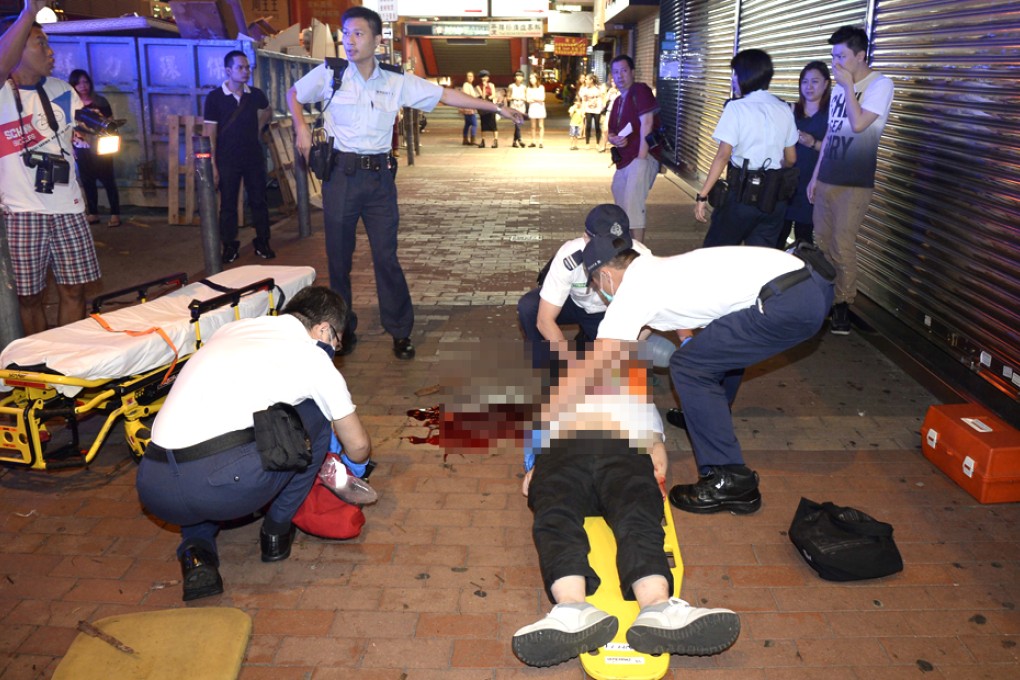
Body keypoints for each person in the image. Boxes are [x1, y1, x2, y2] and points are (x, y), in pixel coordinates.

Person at [513, 278, 741, 669]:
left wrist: (655, 447)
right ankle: (571, 610)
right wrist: (533, 465)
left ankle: (658, 608)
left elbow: (649, 426)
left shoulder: (631, 384)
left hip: (622, 449)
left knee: (638, 513)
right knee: (555, 514)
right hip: (564, 452)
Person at [287, 7, 523, 360]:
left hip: (379, 180)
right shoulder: (331, 73)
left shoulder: (396, 81)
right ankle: (341, 329)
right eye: (346, 34)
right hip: (340, 178)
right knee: (338, 261)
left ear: (377, 40)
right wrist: (300, 127)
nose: (350, 41)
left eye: (358, 34)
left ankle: (399, 330)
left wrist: (497, 109)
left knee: (386, 257)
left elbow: (445, 95)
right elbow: (294, 93)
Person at [551, 236, 833, 516]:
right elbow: (632, 342)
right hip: (810, 281)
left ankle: (729, 479)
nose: (599, 293)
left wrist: (559, 428)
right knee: (707, 353)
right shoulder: (652, 268)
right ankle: (705, 414)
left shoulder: (630, 293)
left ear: (605, 275)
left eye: (595, 284)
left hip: (786, 300)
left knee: (689, 367)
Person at [135, 286, 373, 602]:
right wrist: (356, 467)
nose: (334, 351)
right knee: (316, 414)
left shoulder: (233, 329)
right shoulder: (313, 357)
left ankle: (197, 551)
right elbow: (358, 445)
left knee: (209, 444)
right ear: (324, 330)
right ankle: (276, 531)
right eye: (336, 343)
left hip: (153, 483)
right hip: (221, 488)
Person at [0, 1, 101, 336]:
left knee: (75, 290)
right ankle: (37, 358)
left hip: (69, 207)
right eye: (40, 43)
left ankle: (67, 357)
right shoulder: (2, 92)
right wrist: (28, 12)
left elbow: (75, 132)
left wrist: (88, 132)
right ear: (16, 47)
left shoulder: (62, 90)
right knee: (29, 298)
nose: (51, 51)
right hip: (20, 211)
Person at [807, 26, 894, 335]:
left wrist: (847, 87)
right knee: (821, 242)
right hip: (828, 177)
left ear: (860, 55)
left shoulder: (880, 85)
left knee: (842, 244)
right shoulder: (840, 88)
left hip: (855, 182)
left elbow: (858, 124)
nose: (836, 63)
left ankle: (843, 304)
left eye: (842, 56)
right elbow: (831, 133)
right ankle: (824, 300)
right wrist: (815, 176)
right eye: (833, 56)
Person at [516, 204, 649, 370]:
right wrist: (568, 366)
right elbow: (545, 320)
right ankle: (546, 363)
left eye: (619, 245)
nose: (612, 254)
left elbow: (652, 316)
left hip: (608, 314)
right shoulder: (569, 256)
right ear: (586, 238)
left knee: (623, 369)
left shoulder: (641, 258)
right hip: (573, 302)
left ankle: (590, 343)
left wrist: (628, 349)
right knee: (529, 307)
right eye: (604, 246)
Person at [693, 49, 797, 249]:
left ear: (746, 76)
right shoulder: (784, 108)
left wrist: (703, 195)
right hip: (773, 199)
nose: (733, 80)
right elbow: (791, 159)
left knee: (717, 252)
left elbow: (723, 156)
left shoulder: (736, 108)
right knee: (760, 258)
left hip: (741, 195)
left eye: (735, 75)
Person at [203, 49, 274, 264]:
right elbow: (210, 132)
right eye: (240, 68)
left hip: (253, 156)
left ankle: (262, 241)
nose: (246, 72)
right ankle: (229, 245)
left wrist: (258, 128)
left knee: (259, 200)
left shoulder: (256, 94)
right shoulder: (215, 98)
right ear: (228, 71)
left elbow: (267, 110)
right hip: (227, 159)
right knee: (228, 203)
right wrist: (212, 163)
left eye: (247, 68)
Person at [606, 55, 660, 244]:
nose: (619, 76)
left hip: (641, 158)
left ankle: (638, 253)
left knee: (633, 207)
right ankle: (627, 248)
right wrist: (614, 139)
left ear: (632, 72)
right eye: (615, 72)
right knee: (622, 207)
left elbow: (647, 123)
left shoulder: (640, 91)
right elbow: (610, 132)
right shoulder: (617, 101)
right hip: (624, 161)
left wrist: (641, 158)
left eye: (624, 71)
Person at [777, 61, 830, 249]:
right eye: (804, 82)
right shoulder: (791, 111)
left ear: (826, 84)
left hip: (811, 185)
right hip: (787, 183)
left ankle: (801, 268)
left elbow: (834, 149)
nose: (809, 87)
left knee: (804, 238)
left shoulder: (831, 115)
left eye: (815, 81)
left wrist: (813, 143)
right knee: (777, 235)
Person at [68, 69, 120, 227]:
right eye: (78, 83)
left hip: (102, 147)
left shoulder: (100, 102)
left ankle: (115, 214)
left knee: (108, 180)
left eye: (85, 82)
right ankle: (93, 213)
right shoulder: (71, 104)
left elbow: (111, 124)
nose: (82, 86)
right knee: (87, 181)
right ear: (73, 85)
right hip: (81, 147)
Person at [476, 69, 500, 148]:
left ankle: (495, 141)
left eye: (486, 76)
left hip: (491, 106)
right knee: (483, 124)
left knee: (493, 124)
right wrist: (484, 87)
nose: (485, 78)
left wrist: (489, 97)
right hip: (483, 108)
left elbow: (493, 94)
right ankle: (483, 141)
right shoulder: (478, 86)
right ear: (481, 78)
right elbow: (483, 96)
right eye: (483, 77)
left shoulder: (491, 85)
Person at [579, 74, 603, 150]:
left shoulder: (598, 88)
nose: (585, 80)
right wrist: (583, 110)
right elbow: (583, 100)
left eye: (587, 79)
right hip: (588, 108)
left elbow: (602, 98)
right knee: (588, 125)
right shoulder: (584, 89)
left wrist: (600, 106)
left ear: (591, 80)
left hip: (597, 108)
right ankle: (587, 143)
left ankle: (598, 143)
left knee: (597, 126)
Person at [526, 72, 546, 148]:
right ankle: (533, 141)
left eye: (533, 78)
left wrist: (533, 98)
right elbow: (528, 100)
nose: (531, 80)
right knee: (533, 126)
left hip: (540, 108)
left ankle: (541, 142)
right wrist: (537, 99)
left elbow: (542, 98)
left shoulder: (541, 87)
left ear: (537, 79)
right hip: (532, 108)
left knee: (541, 125)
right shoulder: (528, 88)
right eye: (530, 78)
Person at [598, 78, 619, 153]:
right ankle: (603, 145)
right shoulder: (610, 91)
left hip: (618, 113)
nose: (613, 83)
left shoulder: (621, 91)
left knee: (617, 130)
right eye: (612, 81)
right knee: (605, 129)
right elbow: (604, 102)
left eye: (615, 81)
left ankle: (617, 147)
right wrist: (608, 94)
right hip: (609, 111)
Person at [508, 70, 527, 148]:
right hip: (514, 106)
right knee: (517, 123)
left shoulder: (524, 87)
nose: (519, 78)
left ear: (523, 78)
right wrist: (513, 98)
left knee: (518, 124)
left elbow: (526, 98)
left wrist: (523, 99)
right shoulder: (511, 86)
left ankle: (514, 142)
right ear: (515, 77)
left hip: (521, 107)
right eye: (517, 76)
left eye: (521, 76)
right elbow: (508, 98)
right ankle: (520, 139)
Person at [459, 70, 479, 146]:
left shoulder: (469, 85)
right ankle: (473, 140)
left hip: (468, 107)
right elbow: (468, 96)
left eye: (471, 76)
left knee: (467, 124)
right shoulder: (466, 85)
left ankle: (465, 140)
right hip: (468, 108)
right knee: (474, 124)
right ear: (466, 77)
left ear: (473, 77)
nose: (470, 77)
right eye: (468, 76)